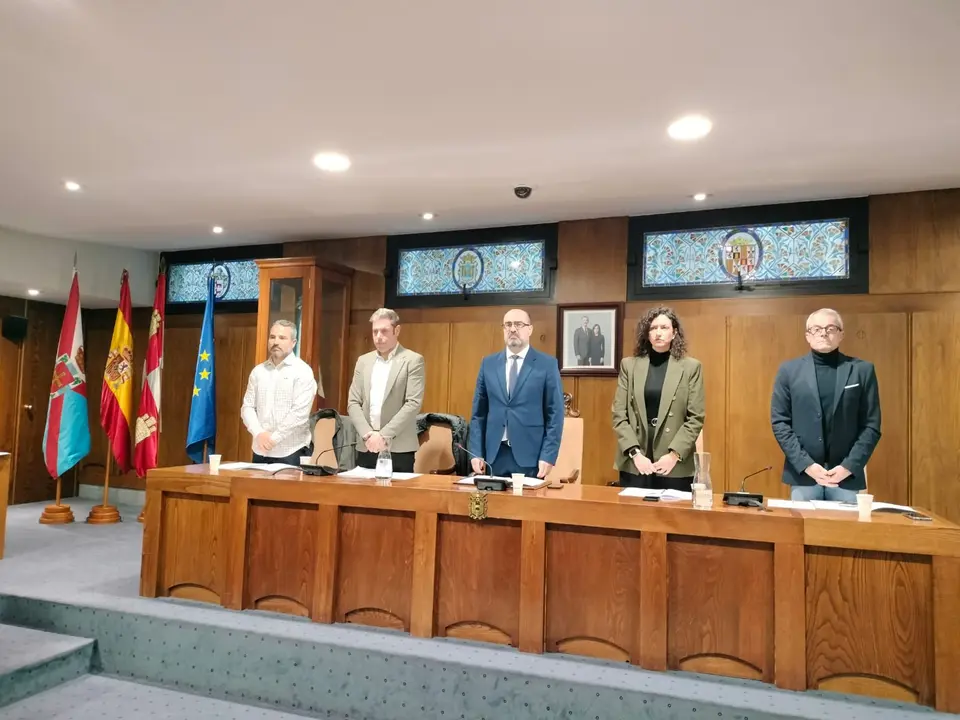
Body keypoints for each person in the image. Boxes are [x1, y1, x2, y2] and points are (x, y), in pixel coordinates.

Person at [771, 308, 881, 502]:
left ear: (841, 335)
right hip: (804, 475)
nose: (823, 333)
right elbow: (780, 423)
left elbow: (871, 426)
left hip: (845, 476)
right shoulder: (788, 371)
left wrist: (848, 466)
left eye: (830, 328)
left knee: (843, 532)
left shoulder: (862, 371)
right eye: (816, 329)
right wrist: (807, 465)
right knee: (803, 531)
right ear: (807, 336)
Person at [611, 306, 704, 491]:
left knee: (672, 518)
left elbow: (695, 418)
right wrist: (635, 454)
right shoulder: (629, 365)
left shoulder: (691, 367)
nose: (658, 333)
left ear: (674, 332)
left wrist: (673, 455)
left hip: (674, 464)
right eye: (653, 328)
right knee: (634, 517)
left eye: (664, 328)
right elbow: (619, 414)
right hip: (636, 461)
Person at [469, 308, 564, 478]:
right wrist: (476, 452)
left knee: (526, 505)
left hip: (530, 456)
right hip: (494, 456)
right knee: (494, 504)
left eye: (519, 324)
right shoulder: (488, 364)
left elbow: (555, 414)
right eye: (508, 325)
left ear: (530, 329)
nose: (513, 329)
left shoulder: (546, 365)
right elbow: (478, 414)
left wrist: (548, 455)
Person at [347, 308, 425, 473]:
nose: (378, 337)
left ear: (396, 330)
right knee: (361, 498)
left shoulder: (412, 360)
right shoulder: (363, 361)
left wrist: (383, 436)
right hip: (367, 445)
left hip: (399, 448)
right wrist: (368, 434)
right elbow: (353, 402)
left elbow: (413, 403)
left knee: (397, 498)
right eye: (375, 331)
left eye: (384, 331)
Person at [241, 319, 318, 465]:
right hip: (260, 449)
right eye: (272, 337)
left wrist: (273, 439)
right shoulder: (258, 371)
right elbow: (247, 407)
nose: (275, 341)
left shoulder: (303, 371)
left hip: (291, 452)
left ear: (293, 343)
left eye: (282, 338)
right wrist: (259, 434)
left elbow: (299, 414)